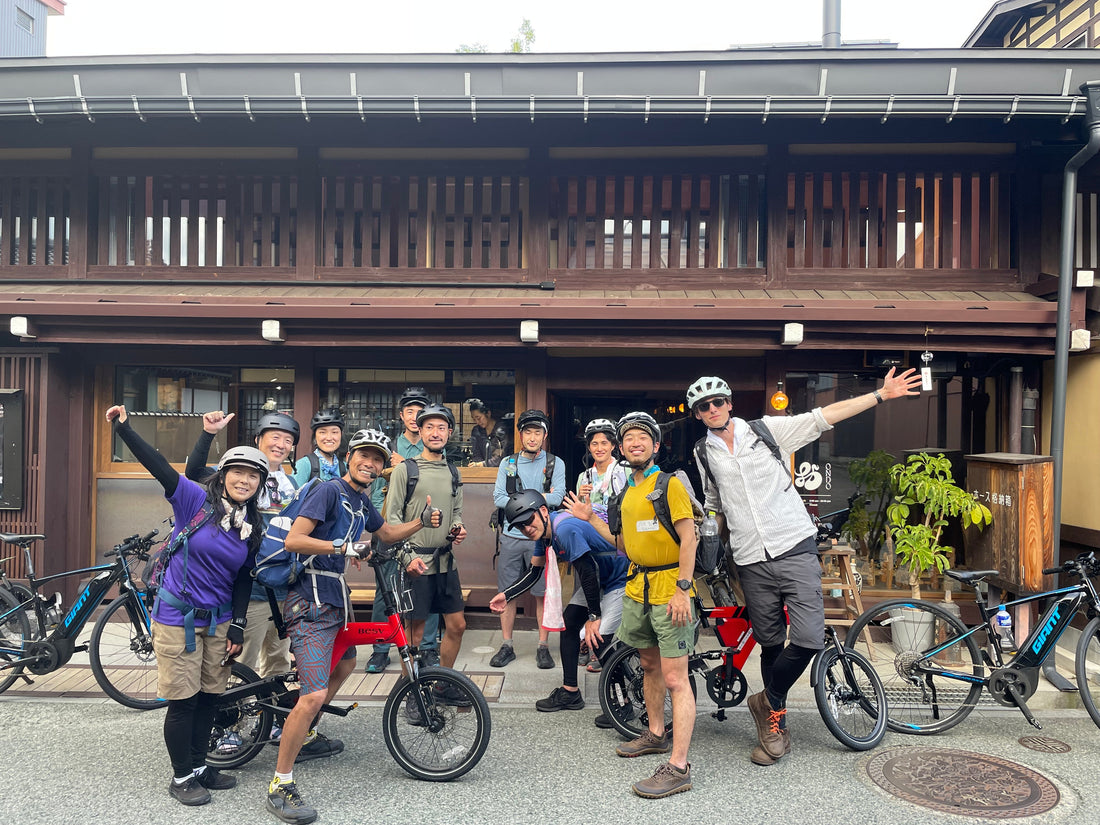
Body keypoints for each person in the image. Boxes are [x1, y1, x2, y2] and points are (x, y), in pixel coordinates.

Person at [686, 369, 921, 767]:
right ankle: (775, 723)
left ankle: (767, 700)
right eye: (703, 406)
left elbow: (825, 416)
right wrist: (704, 538)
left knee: (810, 639)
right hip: (749, 558)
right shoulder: (702, 452)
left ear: (729, 404)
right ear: (697, 414)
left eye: (718, 402)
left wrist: (880, 395)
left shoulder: (766, 431)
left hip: (794, 546)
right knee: (770, 640)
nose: (712, 409)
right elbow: (714, 500)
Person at [266, 429, 441, 825]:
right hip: (307, 601)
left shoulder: (362, 501)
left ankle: (306, 733)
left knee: (346, 662)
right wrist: (343, 548)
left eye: (378, 459)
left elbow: (386, 534)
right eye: (364, 455)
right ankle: (280, 784)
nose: (371, 463)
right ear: (349, 457)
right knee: (311, 696)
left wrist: (419, 522)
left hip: (334, 600)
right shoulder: (328, 490)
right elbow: (295, 539)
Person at [107, 404, 264, 807]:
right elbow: (158, 464)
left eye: (253, 476)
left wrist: (238, 625)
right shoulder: (194, 500)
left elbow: (244, 576)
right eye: (238, 472)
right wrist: (124, 428)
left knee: (211, 696)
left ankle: (199, 766)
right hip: (178, 617)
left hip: (219, 620)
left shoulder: (251, 524)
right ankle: (181, 777)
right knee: (183, 700)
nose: (245, 481)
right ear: (224, 475)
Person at [564, 411, 697, 799]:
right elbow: (620, 544)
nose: (634, 443)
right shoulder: (626, 493)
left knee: (676, 678)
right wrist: (590, 519)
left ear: (656, 446)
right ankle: (655, 733)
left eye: (643, 437)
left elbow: (688, 540)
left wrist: (683, 589)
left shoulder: (669, 485)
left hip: (670, 586)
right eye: (628, 439)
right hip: (636, 586)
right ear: (622, 450)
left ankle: (679, 766)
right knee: (650, 665)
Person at [186, 411, 296, 709]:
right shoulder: (236, 477)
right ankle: (229, 726)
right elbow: (194, 470)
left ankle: (273, 722)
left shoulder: (294, 482)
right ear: (258, 439)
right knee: (240, 662)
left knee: (278, 660)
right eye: (274, 437)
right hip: (250, 588)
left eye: (288, 440)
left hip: (283, 588)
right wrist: (209, 433)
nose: (281, 445)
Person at [489, 489, 629, 721]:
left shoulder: (563, 529)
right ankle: (570, 692)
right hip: (599, 579)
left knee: (599, 638)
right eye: (521, 526)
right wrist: (507, 594)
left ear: (543, 511)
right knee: (570, 623)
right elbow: (534, 571)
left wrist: (594, 617)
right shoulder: (545, 533)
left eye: (528, 521)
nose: (526, 528)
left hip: (619, 579)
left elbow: (588, 571)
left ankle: (622, 705)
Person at [388, 403, 469, 674]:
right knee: (415, 634)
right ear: (420, 431)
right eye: (430, 427)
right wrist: (407, 558)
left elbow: (456, 511)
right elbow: (392, 520)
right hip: (416, 562)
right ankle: (410, 691)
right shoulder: (405, 470)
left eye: (442, 428)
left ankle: (444, 683)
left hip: (446, 562)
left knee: (457, 626)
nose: (436, 433)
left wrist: (457, 527)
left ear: (449, 433)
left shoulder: (453, 472)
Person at [364, 386, 440, 672]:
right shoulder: (387, 445)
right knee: (385, 588)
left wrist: (404, 466)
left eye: (419, 412)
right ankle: (380, 648)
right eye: (409, 412)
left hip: (420, 524)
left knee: (426, 585)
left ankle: (429, 647)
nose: (414, 417)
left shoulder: (431, 445)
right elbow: (373, 482)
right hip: (388, 524)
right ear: (401, 415)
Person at [490, 408, 566, 669]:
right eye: (528, 432)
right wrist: (539, 497)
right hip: (511, 536)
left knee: (541, 594)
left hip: (543, 539)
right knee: (507, 593)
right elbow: (498, 498)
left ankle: (543, 646)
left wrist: (520, 500)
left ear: (545, 436)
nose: (533, 437)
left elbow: (559, 498)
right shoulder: (507, 463)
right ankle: (507, 645)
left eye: (538, 432)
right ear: (521, 434)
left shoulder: (555, 463)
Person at [573, 418, 627, 674]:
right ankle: (587, 641)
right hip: (590, 544)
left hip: (616, 540)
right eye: (594, 443)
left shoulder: (624, 471)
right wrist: (583, 496)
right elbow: (577, 511)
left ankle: (602, 644)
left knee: (614, 595)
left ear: (614, 446)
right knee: (591, 591)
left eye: (604, 442)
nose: (599, 447)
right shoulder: (584, 476)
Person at [292, 408, 346, 486]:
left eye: (334, 432)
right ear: (315, 437)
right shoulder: (304, 465)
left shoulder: (344, 467)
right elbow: (294, 496)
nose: (329, 438)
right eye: (322, 432)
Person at [467, 398, 509, 466]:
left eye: (478, 418)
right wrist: (478, 464)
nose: (477, 422)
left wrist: (483, 464)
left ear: (488, 413)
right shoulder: (477, 431)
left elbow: (502, 456)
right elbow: (476, 454)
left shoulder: (501, 429)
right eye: (474, 419)